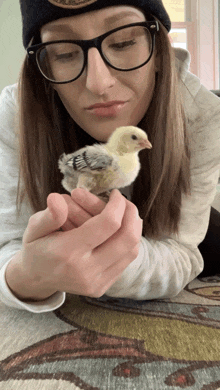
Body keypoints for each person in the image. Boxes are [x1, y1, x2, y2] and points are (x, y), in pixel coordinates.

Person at [0, 0, 220, 314]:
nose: (98, 83)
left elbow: (182, 252)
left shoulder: (203, 115)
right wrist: (29, 274)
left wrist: (118, 262)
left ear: (158, 51)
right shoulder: (15, 113)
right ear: (45, 67)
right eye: (64, 53)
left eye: (123, 42)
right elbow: (7, 247)